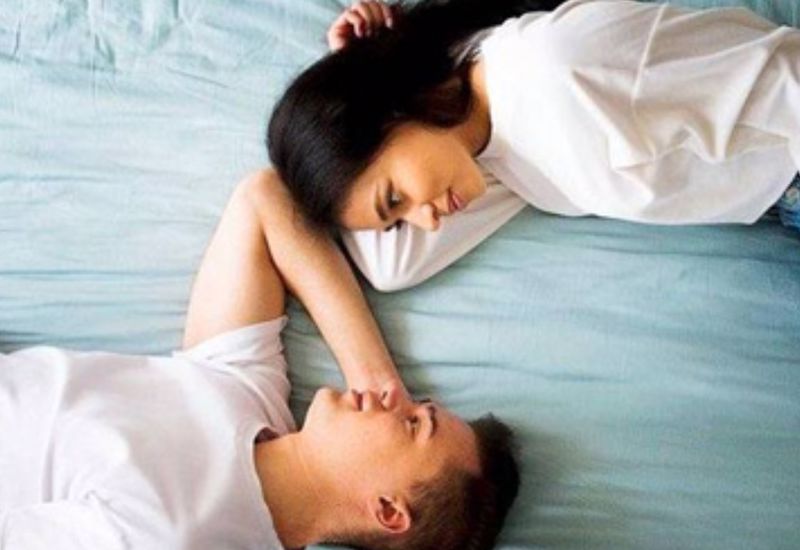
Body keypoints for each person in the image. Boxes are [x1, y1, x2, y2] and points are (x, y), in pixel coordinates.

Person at [0, 170, 520, 550]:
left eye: (412, 424)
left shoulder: (172, 535)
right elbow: (265, 199)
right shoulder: (250, 395)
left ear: (387, 510)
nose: (394, 397)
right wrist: (374, 374)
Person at [268, 0, 800, 292]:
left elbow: (780, 74)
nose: (425, 222)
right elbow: (393, 270)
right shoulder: (484, 153)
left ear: (389, 111)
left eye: (395, 199)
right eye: (397, 221)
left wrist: (359, 76)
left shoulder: (561, 63)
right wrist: (345, 64)